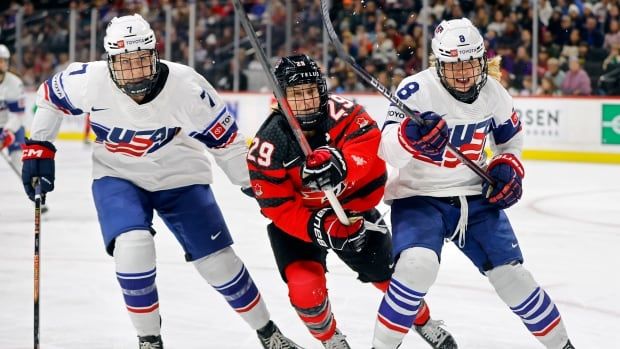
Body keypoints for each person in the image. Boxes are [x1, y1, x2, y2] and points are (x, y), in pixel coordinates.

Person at [20, 14, 301, 349]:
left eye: (141, 60)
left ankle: (269, 333)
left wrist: (255, 185)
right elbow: (49, 97)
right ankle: (149, 340)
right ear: (110, 61)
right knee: (132, 247)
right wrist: (39, 146)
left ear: (154, 54)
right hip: (117, 174)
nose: (136, 71)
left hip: (180, 174)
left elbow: (227, 143)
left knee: (218, 261)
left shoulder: (187, 88)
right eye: (125, 63)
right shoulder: (87, 80)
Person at [371, 18, 575, 349]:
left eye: (470, 62)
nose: (464, 72)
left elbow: (512, 142)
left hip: (475, 197)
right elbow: (387, 150)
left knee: (515, 279)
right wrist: (410, 138)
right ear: (438, 64)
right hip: (420, 196)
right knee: (415, 267)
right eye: (454, 65)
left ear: (482, 59)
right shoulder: (416, 90)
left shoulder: (495, 94)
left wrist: (509, 166)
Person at [246, 54, 457, 349]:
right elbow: (277, 207)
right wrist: (319, 227)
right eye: (297, 94)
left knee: (390, 278)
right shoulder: (268, 144)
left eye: (311, 91)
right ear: (281, 98)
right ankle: (331, 340)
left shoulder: (343, 112)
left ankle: (423, 321)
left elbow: (371, 145)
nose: (307, 101)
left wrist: (341, 164)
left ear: (322, 89)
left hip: (352, 212)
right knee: (305, 288)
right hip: (302, 225)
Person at [0, 43, 26, 173]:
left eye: (2, 61)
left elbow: (18, 115)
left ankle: (32, 189)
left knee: (18, 159)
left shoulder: (15, 83)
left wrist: (8, 132)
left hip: (10, 127)